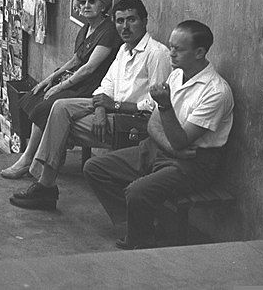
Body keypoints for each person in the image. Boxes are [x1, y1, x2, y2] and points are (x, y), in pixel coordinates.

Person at [9, 0, 172, 210]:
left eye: (131, 20)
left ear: (144, 21)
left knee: (59, 125)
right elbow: (106, 85)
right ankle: (43, 184)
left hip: (136, 121)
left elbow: (156, 104)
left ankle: (45, 186)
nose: (125, 26)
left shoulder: (157, 54)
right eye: (120, 21)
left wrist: (113, 106)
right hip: (111, 108)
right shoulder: (123, 50)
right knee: (59, 107)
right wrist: (101, 109)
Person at [84, 20, 233, 249]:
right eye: (171, 46)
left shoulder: (216, 91)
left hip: (193, 165)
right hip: (166, 151)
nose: (171, 53)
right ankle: (141, 223)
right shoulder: (176, 75)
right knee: (95, 168)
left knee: (137, 192)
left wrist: (165, 107)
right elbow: (154, 126)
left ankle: (141, 239)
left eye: (178, 49)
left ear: (200, 52)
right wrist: (171, 147)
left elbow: (181, 139)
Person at [0, 0, 121, 179]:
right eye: (82, 2)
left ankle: (28, 158)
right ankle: (35, 153)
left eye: (92, 1)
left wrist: (60, 87)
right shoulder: (86, 28)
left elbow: (90, 67)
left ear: (104, 5)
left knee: (46, 106)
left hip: (92, 85)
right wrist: (50, 79)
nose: (86, 6)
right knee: (36, 95)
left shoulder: (108, 31)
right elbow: (76, 59)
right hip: (77, 78)